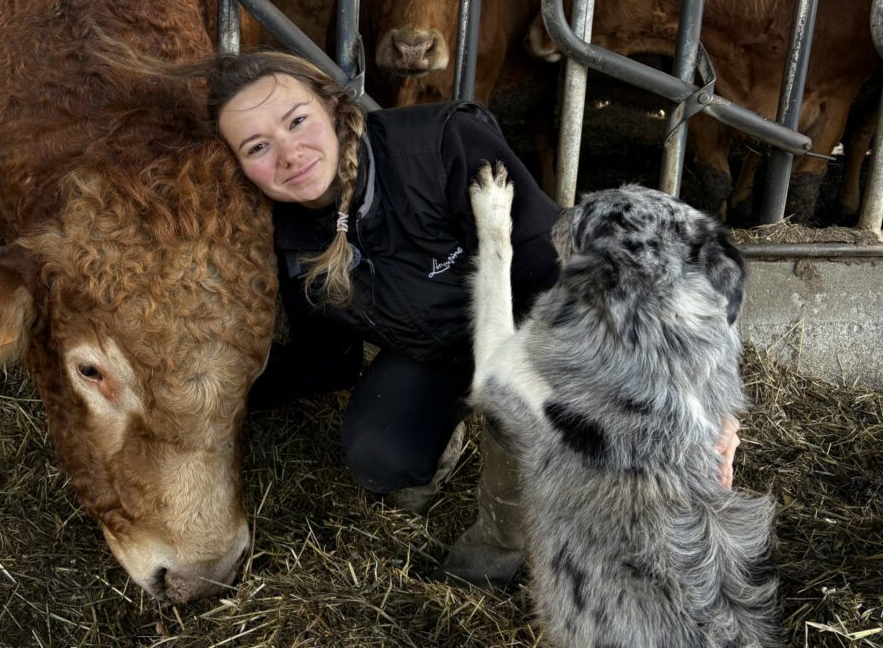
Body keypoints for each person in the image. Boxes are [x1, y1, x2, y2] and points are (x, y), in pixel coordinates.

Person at [181, 49, 740, 587]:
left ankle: (503, 541)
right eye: (257, 146)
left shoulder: (442, 146)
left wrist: (692, 401)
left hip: (545, 334)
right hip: (433, 351)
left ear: (332, 107)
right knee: (380, 458)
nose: (289, 153)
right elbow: (328, 360)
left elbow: (559, 272)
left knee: (521, 403)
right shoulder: (289, 240)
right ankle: (448, 436)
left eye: (297, 120)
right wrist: (205, 398)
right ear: (239, 167)